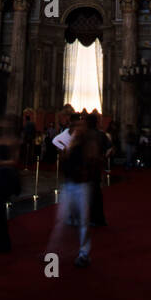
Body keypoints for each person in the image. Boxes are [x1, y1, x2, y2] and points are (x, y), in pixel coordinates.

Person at [48, 113, 101, 268]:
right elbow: (65, 163)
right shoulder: (70, 143)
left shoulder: (88, 144)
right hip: (69, 184)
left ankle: (84, 254)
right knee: (60, 220)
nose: (77, 129)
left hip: (82, 186)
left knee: (84, 221)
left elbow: (92, 162)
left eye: (80, 126)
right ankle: (52, 254)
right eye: (76, 126)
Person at [0, 115, 20, 253]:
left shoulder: (13, 141)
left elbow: (15, 161)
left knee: (0, 208)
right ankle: (3, 240)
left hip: (7, 175)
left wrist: (1, 163)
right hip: (0, 175)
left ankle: (4, 242)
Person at [87, 112, 111, 226]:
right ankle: (99, 218)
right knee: (96, 191)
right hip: (97, 166)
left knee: (89, 193)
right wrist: (103, 158)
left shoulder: (84, 135)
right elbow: (111, 149)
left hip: (86, 167)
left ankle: (91, 218)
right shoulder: (101, 135)